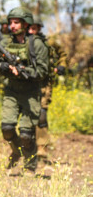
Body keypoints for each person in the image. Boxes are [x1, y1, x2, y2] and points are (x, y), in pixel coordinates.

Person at [0, 7, 49, 172]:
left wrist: (24, 72)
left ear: (25, 23)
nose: (12, 26)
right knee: (7, 129)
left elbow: (43, 71)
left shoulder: (36, 44)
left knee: (26, 134)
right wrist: (3, 66)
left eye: (16, 22)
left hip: (31, 93)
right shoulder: (4, 43)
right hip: (12, 91)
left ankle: (30, 167)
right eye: (11, 22)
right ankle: (17, 151)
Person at [28, 16, 66, 160]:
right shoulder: (22, 42)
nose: (32, 31)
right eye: (29, 28)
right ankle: (27, 145)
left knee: (41, 114)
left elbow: (62, 54)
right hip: (27, 83)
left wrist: (61, 66)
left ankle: (42, 147)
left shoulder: (48, 42)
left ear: (39, 28)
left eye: (34, 28)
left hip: (44, 83)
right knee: (27, 115)